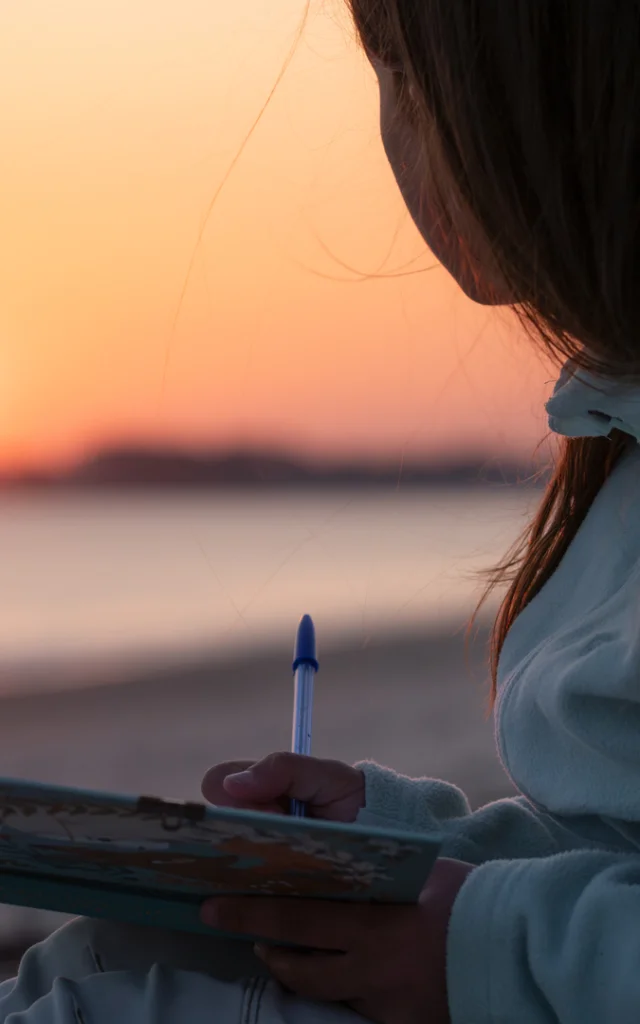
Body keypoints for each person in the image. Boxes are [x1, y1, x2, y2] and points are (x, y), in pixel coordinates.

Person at [3, 1, 640, 1021]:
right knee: (95, 955)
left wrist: (483, 941)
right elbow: (616, 841)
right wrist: (402, 845)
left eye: (398, 68)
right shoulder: (615, 444)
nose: (389, 123)